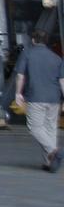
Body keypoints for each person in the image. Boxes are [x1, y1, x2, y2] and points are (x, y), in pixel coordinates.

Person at [13, 29, 64, 172]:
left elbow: (20, 76)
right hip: (54, 98)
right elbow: (62, 81)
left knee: (35, 128)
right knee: (50, 129)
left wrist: (18, 93)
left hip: (36, 97)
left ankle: (53, 151)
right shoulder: (56, 58)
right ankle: (49, 163)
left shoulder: (27, 53)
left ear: (33, 40)